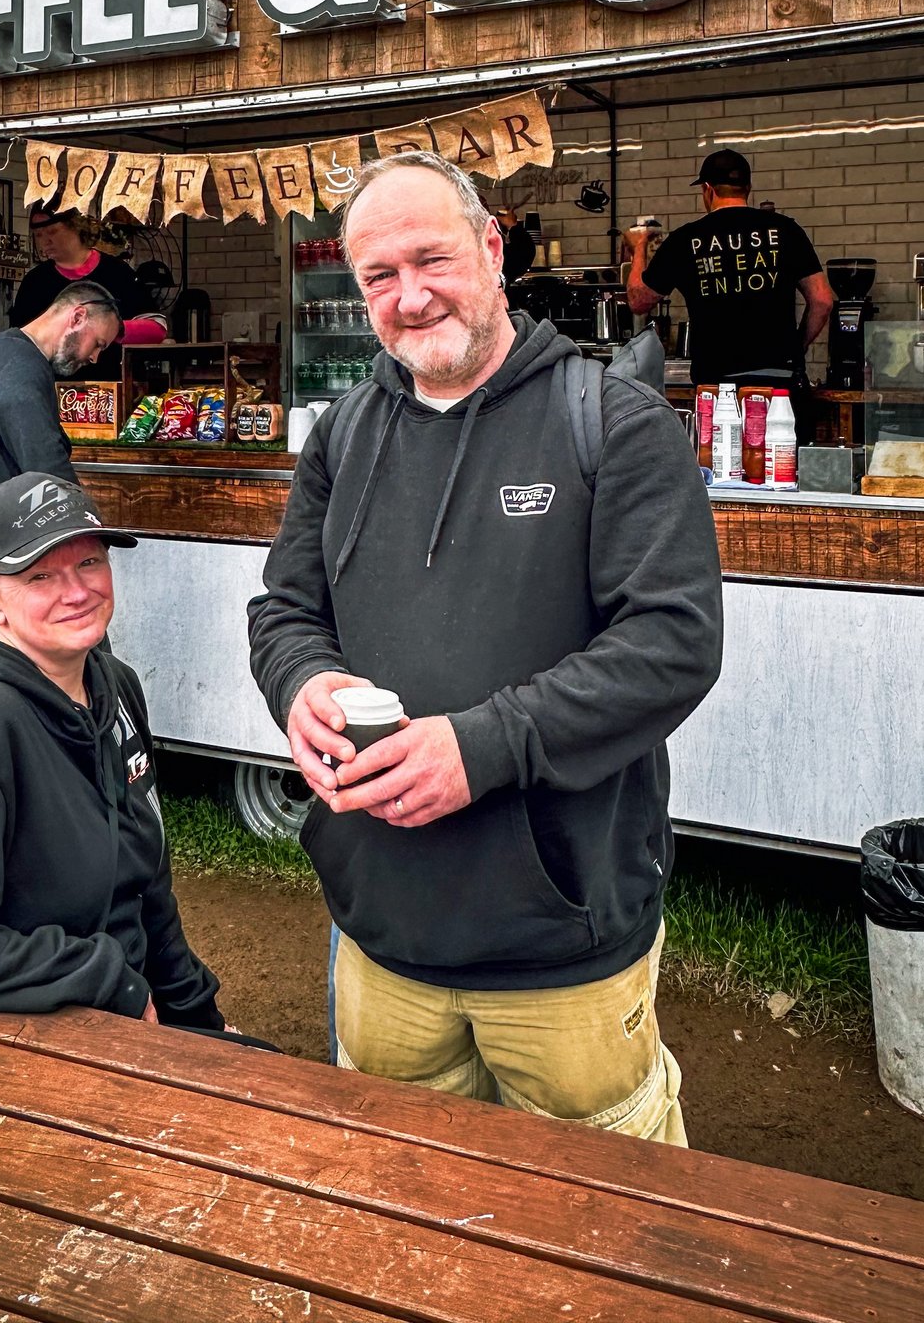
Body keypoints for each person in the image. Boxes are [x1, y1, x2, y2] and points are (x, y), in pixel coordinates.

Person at [249, 150, 722, 1145]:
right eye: (379, 276)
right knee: (405, 1208)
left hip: (560, 944)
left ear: (492, 249)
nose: (410, 297)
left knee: (602, 1236)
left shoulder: (614, 426)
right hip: (380, 932)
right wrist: (303, 684)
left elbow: (672, 644)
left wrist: (480, 748)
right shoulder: (344, 434)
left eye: (433, 260)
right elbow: (283, 609)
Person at [0, 474, 239, 1036]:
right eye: (39, 576)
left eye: (89, 563)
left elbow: (143, 884)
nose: (76, 591)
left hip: (134, 1020)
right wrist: (105, 979)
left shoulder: (114, 687)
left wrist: (200, 1019)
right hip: (42, 1042)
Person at [0, 280, 122, 590]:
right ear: (77, 318)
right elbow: (45, 463)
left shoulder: (0, 350)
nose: (95, 358)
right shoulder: (20, 367)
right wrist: (89, 535)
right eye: (99, 343)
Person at [626, 148, 835, 392]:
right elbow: (822, 301)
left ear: (708, 190)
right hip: (779, 382)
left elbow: (638, 300)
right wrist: (796, 347)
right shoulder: (786, 229)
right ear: (748, 187)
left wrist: (638, 246)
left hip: (717, 385)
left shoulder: (685, 239)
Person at [10, 205, 166, 377]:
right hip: (54, 390)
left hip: (112, 385)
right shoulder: (34, 282)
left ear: (76, 226)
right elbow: (20, 343)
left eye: (52, 231)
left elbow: (157, 329)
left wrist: (109, 329)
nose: (44, 241)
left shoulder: (118, 272)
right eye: (39, 235)